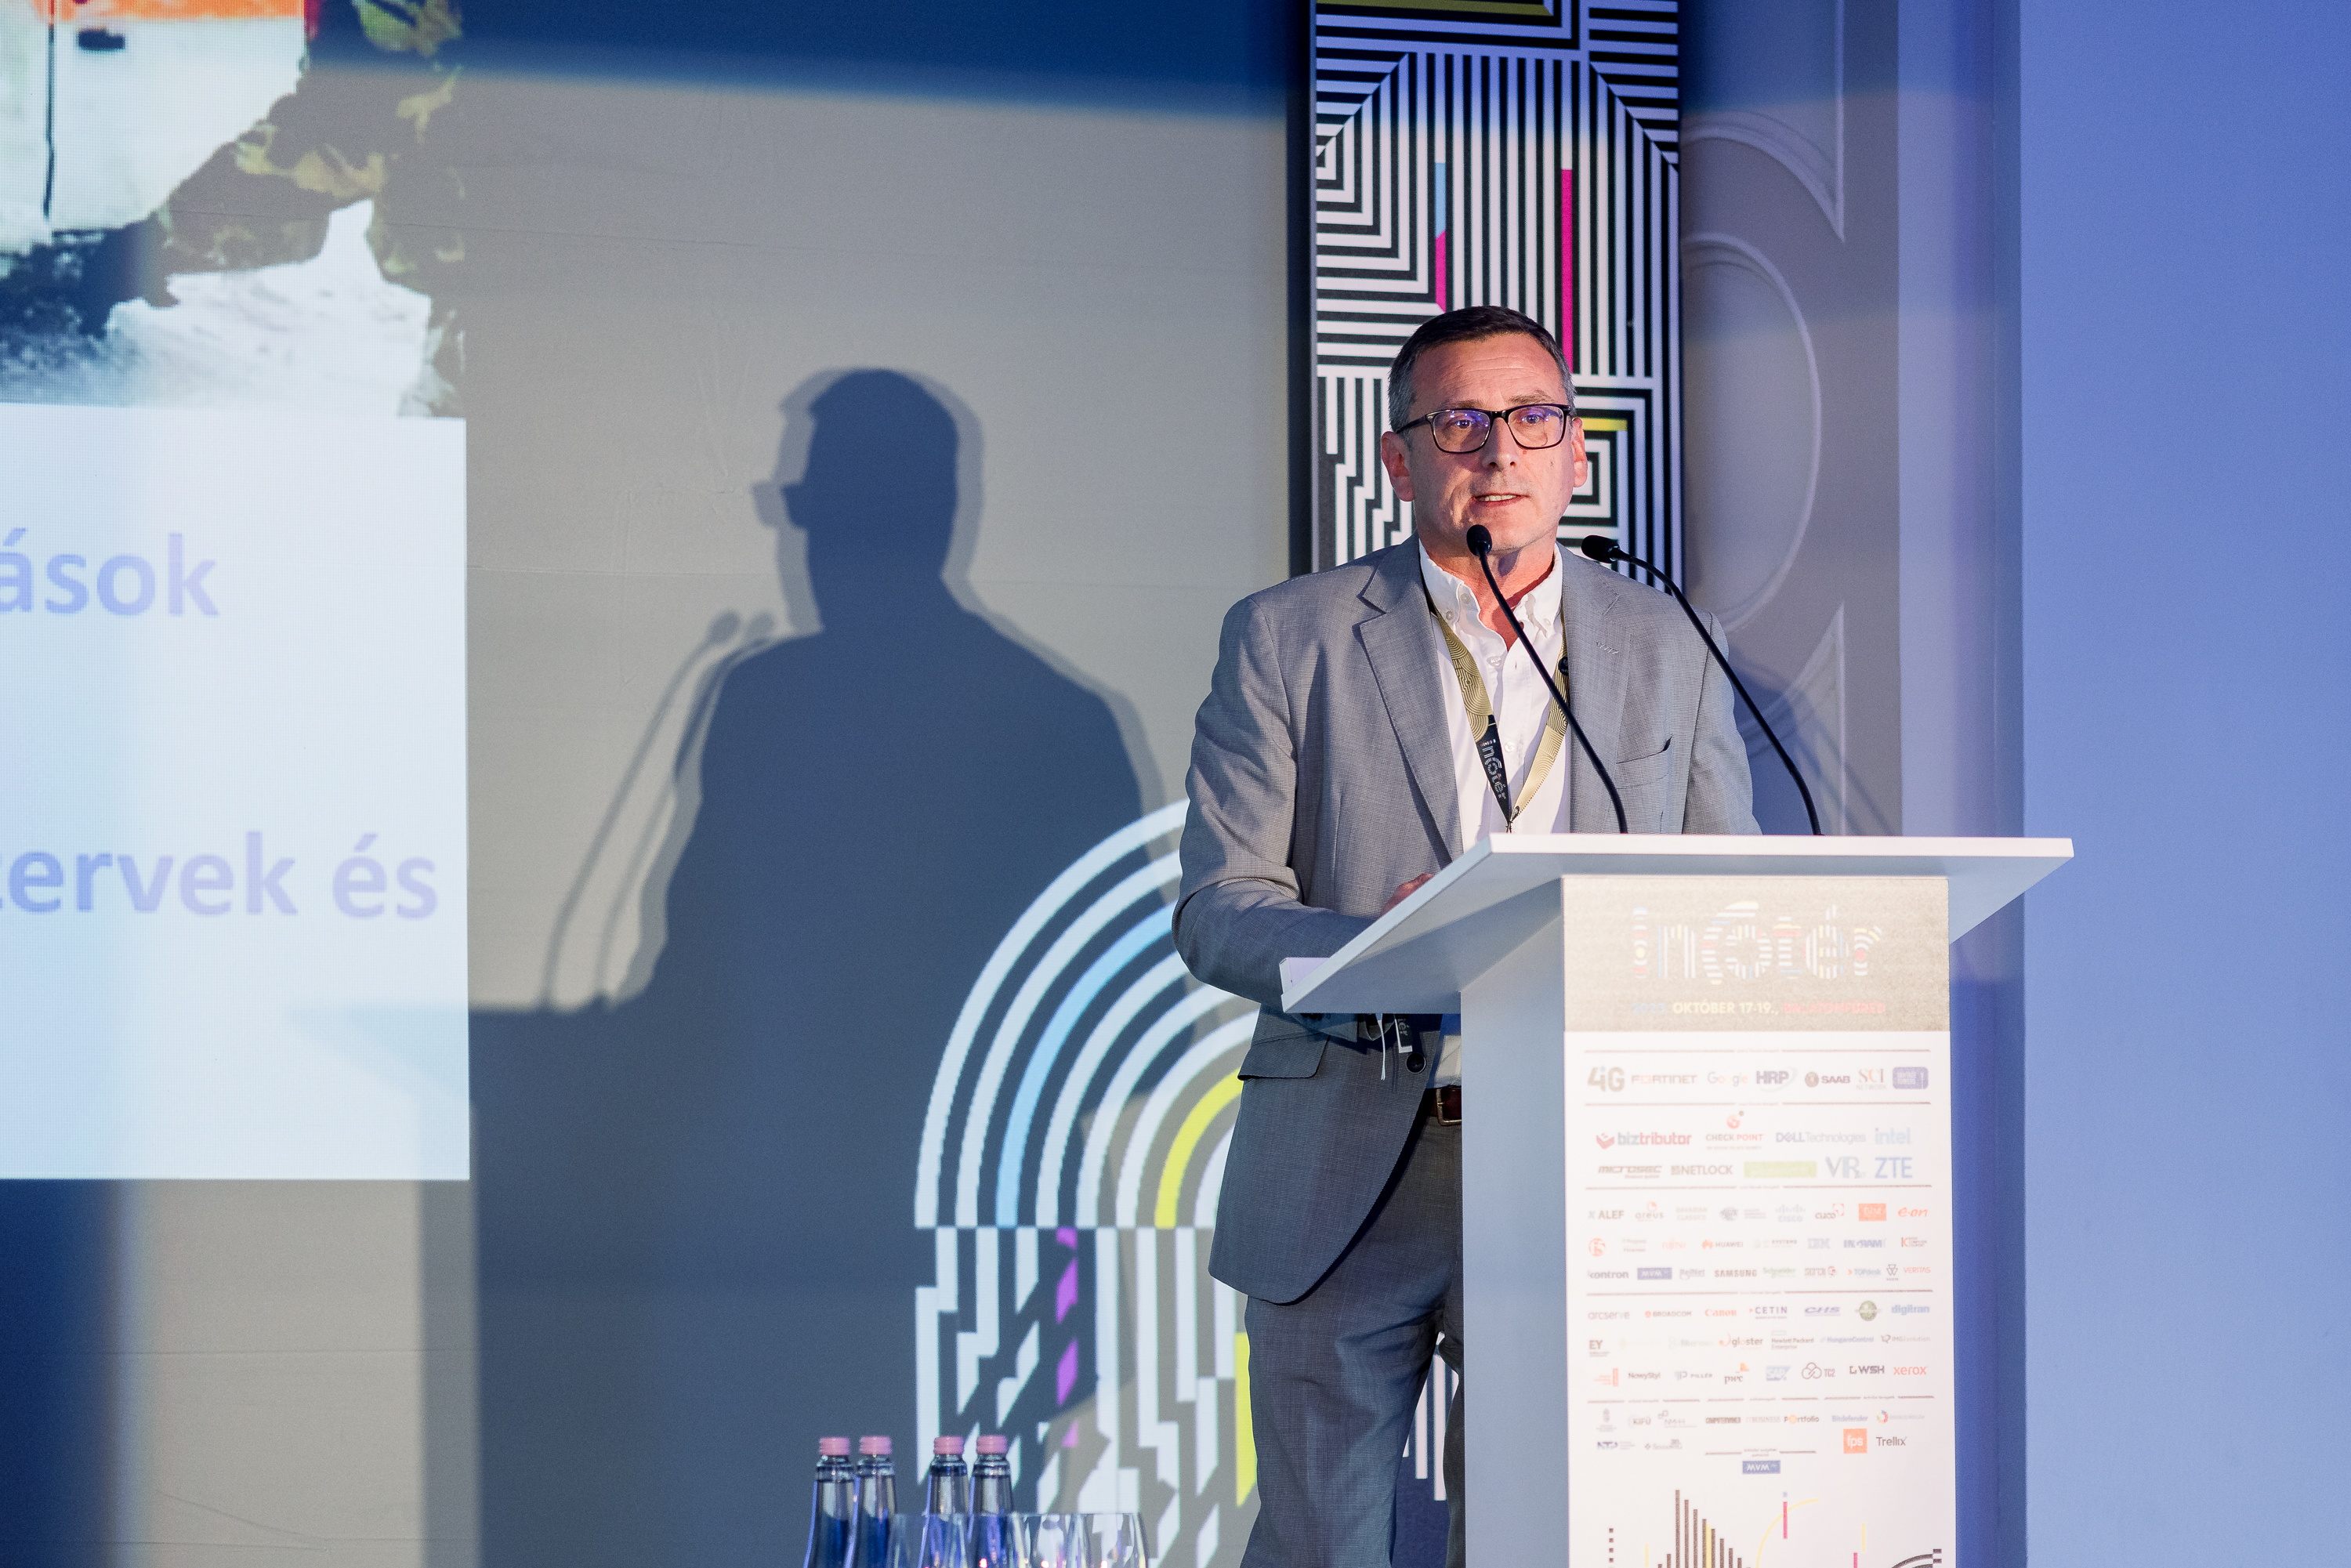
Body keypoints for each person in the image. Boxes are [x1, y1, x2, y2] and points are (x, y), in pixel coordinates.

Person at [1174, 305, 1758, 1566]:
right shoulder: (1288, 634)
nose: (1500, 452)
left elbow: (1725, 896)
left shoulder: (1670, 641)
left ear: (1578, 451)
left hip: (1589, 1163)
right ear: (1399, 459)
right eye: (1460, 423)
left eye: (1533, 419)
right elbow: (1218, 907)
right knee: (1323, 1547)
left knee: (1552, 1538)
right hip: (1349, 1162)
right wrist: (1373, 945)